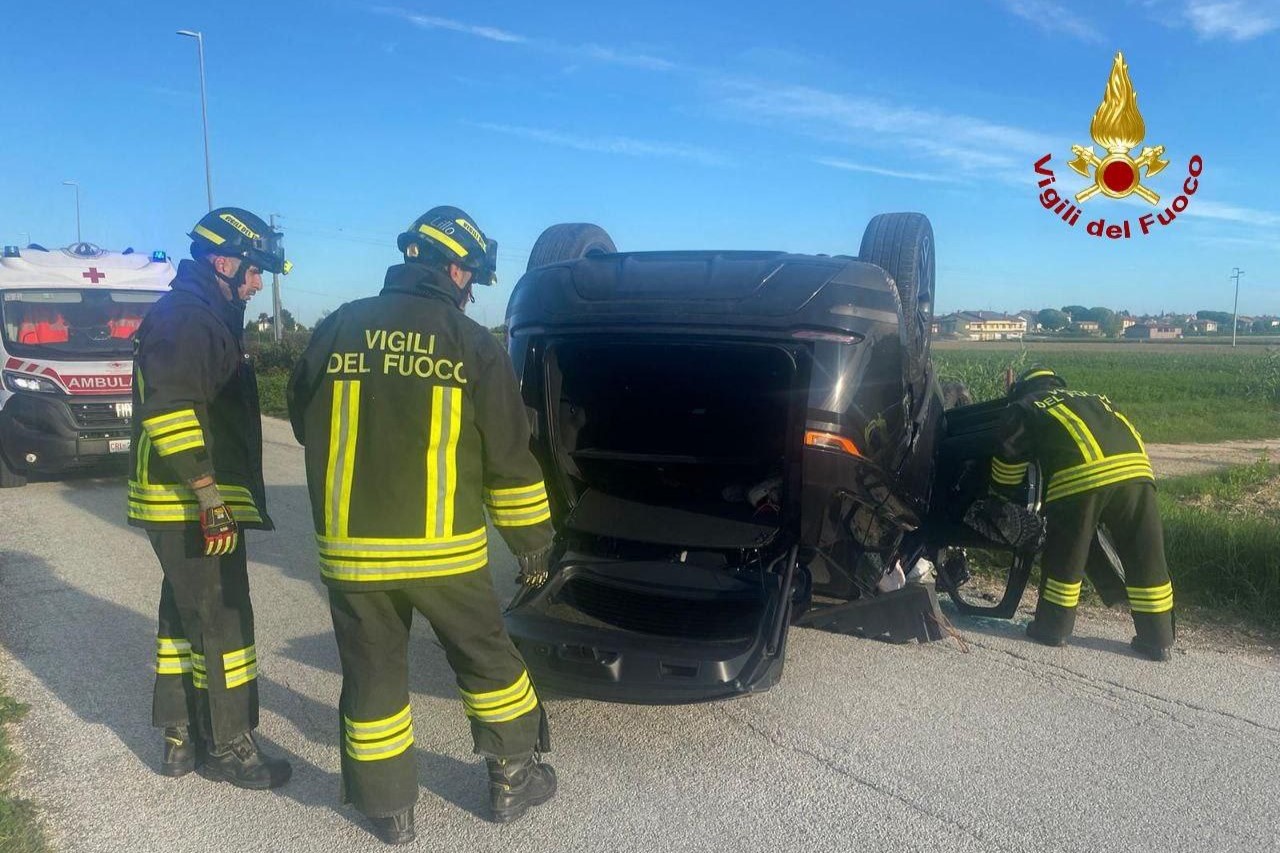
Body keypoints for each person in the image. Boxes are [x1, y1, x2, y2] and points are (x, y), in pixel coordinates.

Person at [287, 206, 556, 845]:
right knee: (487, 661)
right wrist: (532, 543)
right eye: (472, 279)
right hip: (444, 555)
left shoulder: (339, 326)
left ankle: (388, 811)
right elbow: (509, 455)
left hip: (353, 554)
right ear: (455, 268)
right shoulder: (472, 343)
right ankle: (512, 778)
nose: (471, 292)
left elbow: (301, 419)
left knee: (373, 673)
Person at [129, 207, 293, 789]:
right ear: (224, 262)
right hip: (189, 502)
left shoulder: (200, 315)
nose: (257, 283)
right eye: (254, 270)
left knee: (184, 615)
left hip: (184, 501)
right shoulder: (189, 319)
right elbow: (171, 410)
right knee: (223, 618)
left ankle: (180, 736)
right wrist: (207, 494)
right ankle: (229, 746)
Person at [991, 366, 1175, 661]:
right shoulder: (1095, 398)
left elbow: (1008, 469)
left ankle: (1052, 629)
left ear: (1023, 388)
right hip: (1137, 473)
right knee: (1146, 556)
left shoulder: (1025, 405)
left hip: (1081, 480)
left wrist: (1002, 490)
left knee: (1066, 556)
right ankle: (1158, 640)